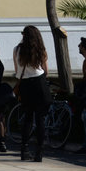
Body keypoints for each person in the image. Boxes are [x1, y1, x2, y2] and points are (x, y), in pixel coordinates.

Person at [13, 25, 52, 162]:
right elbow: (46, 70)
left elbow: (17, 70)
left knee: (28, 118)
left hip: (25, 84)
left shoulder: (17, 49)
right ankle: (39, 152)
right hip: (39, 84)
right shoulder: (40, 50)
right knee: (40, 119)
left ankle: (24, 149)